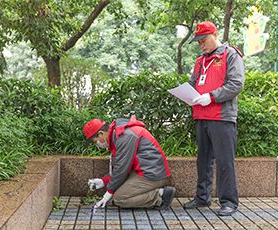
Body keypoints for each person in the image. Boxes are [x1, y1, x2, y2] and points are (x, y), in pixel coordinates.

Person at [183, 21, 244, 216]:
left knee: (224, 161)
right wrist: (186, 93)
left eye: (203, 39)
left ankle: (229, 202)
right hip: (201, 116)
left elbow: (236, 84)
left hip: (222, 117)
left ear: (214, 35)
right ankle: (202, 197)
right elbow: (194, 82)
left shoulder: (230, 55)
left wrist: (210, 96)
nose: (201, 44)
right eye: (198, 41)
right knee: (204, 160)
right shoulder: (200, 60)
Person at [83, 115, 176, 209]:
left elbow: (122, 168)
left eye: (95, 141)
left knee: (119, 199)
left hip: (152, 175)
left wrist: (108, 193)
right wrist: (103, 181)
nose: (97, 144)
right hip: (145, 171)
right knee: (118, 193)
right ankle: (158, 193)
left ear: (101, 134)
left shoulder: (124, 136)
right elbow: (120, 167)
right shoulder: (117, 135)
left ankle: (160, 196)